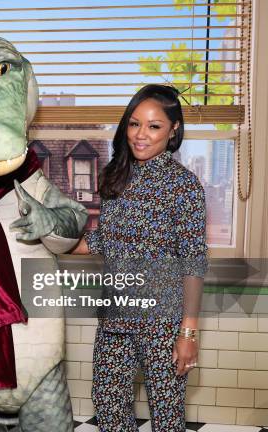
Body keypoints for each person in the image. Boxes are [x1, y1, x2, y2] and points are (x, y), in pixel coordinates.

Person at [72, 84, 207, 431]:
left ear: (173, 129)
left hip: (163, 322)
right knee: (109, 407)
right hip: (115, 317)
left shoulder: (184, 186)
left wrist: (188, 334)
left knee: (166, 416)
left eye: (153, 126)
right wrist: (55, 240)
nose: (141, 135)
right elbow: (106, 241)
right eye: (134, 124)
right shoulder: (115, 178)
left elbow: (193, 260)